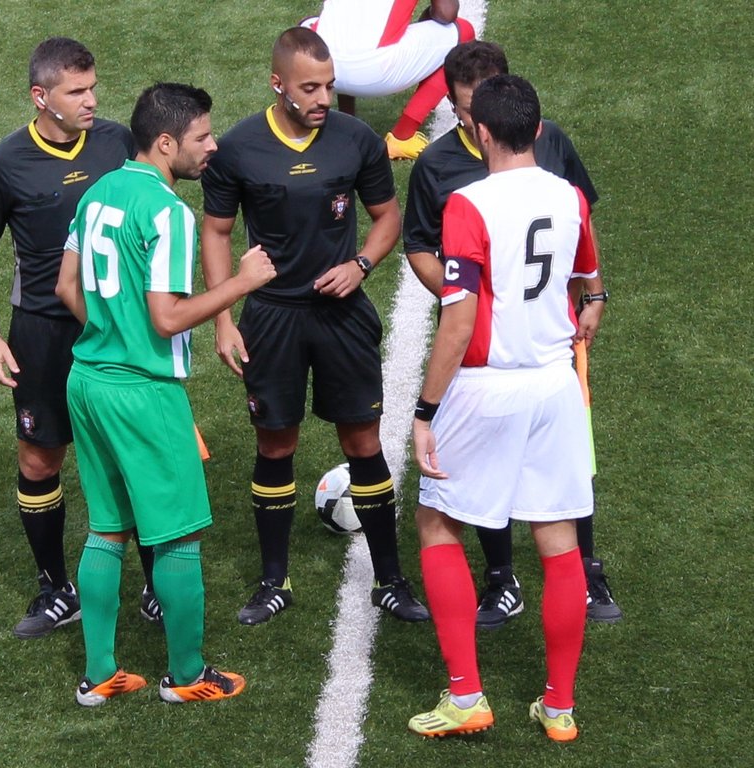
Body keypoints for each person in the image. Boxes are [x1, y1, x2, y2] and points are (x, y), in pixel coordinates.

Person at [56, 82, 276, 706]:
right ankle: (186, 676)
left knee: (107, 528)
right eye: (202, 136)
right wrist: (241, 282)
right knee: (178, 535)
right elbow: (167, 318)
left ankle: (100, 673)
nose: (213, 146)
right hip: (142, 392)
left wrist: (110, 333)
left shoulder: (97, 191)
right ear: (165, 143)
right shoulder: (169, 212)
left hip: (88, 382)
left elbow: (65, 285)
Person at [200, 26, 429, 626]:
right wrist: (223, 318)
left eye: (328, 85)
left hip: (342, 317)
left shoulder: (356, 140)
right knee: (276, 444)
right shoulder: (239, 148)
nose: (324, 98)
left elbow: (387, 218)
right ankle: (273, 581)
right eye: (310, 88)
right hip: (272, 318)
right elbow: (216, 232)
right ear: (277, 85)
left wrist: (361, 265)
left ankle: (390, 579)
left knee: (363, 443)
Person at [408, 74, 602, 741]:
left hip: (485, 388)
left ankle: (466, 697)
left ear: (480, 131)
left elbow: (458, 320)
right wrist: (594, 304)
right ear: (538, 130)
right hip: (554, 386)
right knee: (558, 541)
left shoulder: (468, 203)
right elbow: (587, 277)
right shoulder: (568, 195)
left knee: (437, 524)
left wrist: (425, 411)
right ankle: (559, 708)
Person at [0, 37, 160, 639]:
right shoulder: (6, 163)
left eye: (93, 87)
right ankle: (56, 588)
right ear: (40, 96)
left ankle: (157, 584)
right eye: (77, 91)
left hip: (116, 326)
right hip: (42, 331)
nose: (91, 100)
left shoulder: (117, 143)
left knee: (134, 453)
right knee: (39, 456)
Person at [302, 0, 475, 160]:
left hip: (323, 66)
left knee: (309, 25)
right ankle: (403, 136)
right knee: (464, 31)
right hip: (376, 71)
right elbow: (445, 13)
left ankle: (344, 119)